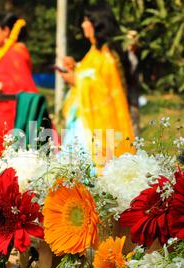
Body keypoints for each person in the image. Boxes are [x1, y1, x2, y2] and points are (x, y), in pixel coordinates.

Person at [58, 4, 135, 170]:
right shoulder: (92, 53)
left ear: (98, 23)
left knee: (85, 172)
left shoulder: (107, 56)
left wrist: (76, 80)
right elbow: (89, 76)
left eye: (87, 21)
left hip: (94, 127)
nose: (83, 25)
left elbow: (105, 90)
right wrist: (75, 68)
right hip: (82, 121)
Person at [0, 13, 38, 150]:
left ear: (6, 30)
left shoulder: (16, 52)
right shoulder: (2, 53)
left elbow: (22, 83)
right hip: (0, 109)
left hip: (10, 111)